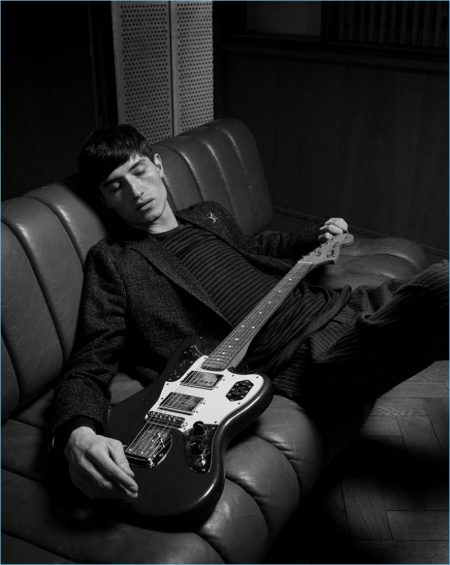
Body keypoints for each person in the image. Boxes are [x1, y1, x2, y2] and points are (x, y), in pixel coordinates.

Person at [52, 124, 448, 502]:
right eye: (116, 187)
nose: (136, 191)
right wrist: (78, 433)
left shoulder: (207, 215)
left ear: (157, 165)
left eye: (139, 171)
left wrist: (316, 236)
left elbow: (256, 250)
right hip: (301, 355)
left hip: (337, 303)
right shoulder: (114, 260)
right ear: (105, 200)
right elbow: (91, 359)